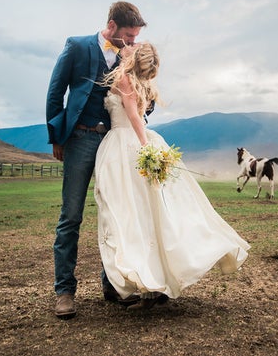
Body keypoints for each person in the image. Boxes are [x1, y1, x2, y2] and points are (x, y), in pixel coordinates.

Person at [94, 42, 250, 310]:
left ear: (133, 58)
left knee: (129, 214)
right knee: (148, 215)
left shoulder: (124, 78)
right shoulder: (139, 82)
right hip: (138, 143)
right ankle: (153, 283)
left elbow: (133, 115)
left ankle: (149, 282)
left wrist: (146, 151)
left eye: (131, 46)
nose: (127, 47)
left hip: (125, 148)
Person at [46, 1, 147, 319]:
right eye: (128, 36)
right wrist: (57, 136)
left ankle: (113, 286)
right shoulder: (77, 45)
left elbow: (141, 98)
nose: (131, 42)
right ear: (112, 25)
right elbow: (55, 91)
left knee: (115, 215)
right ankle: (65, 292)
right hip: (79, 140)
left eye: (135, 37)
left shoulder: (129, 56)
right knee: (71, 215)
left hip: (114, 142)